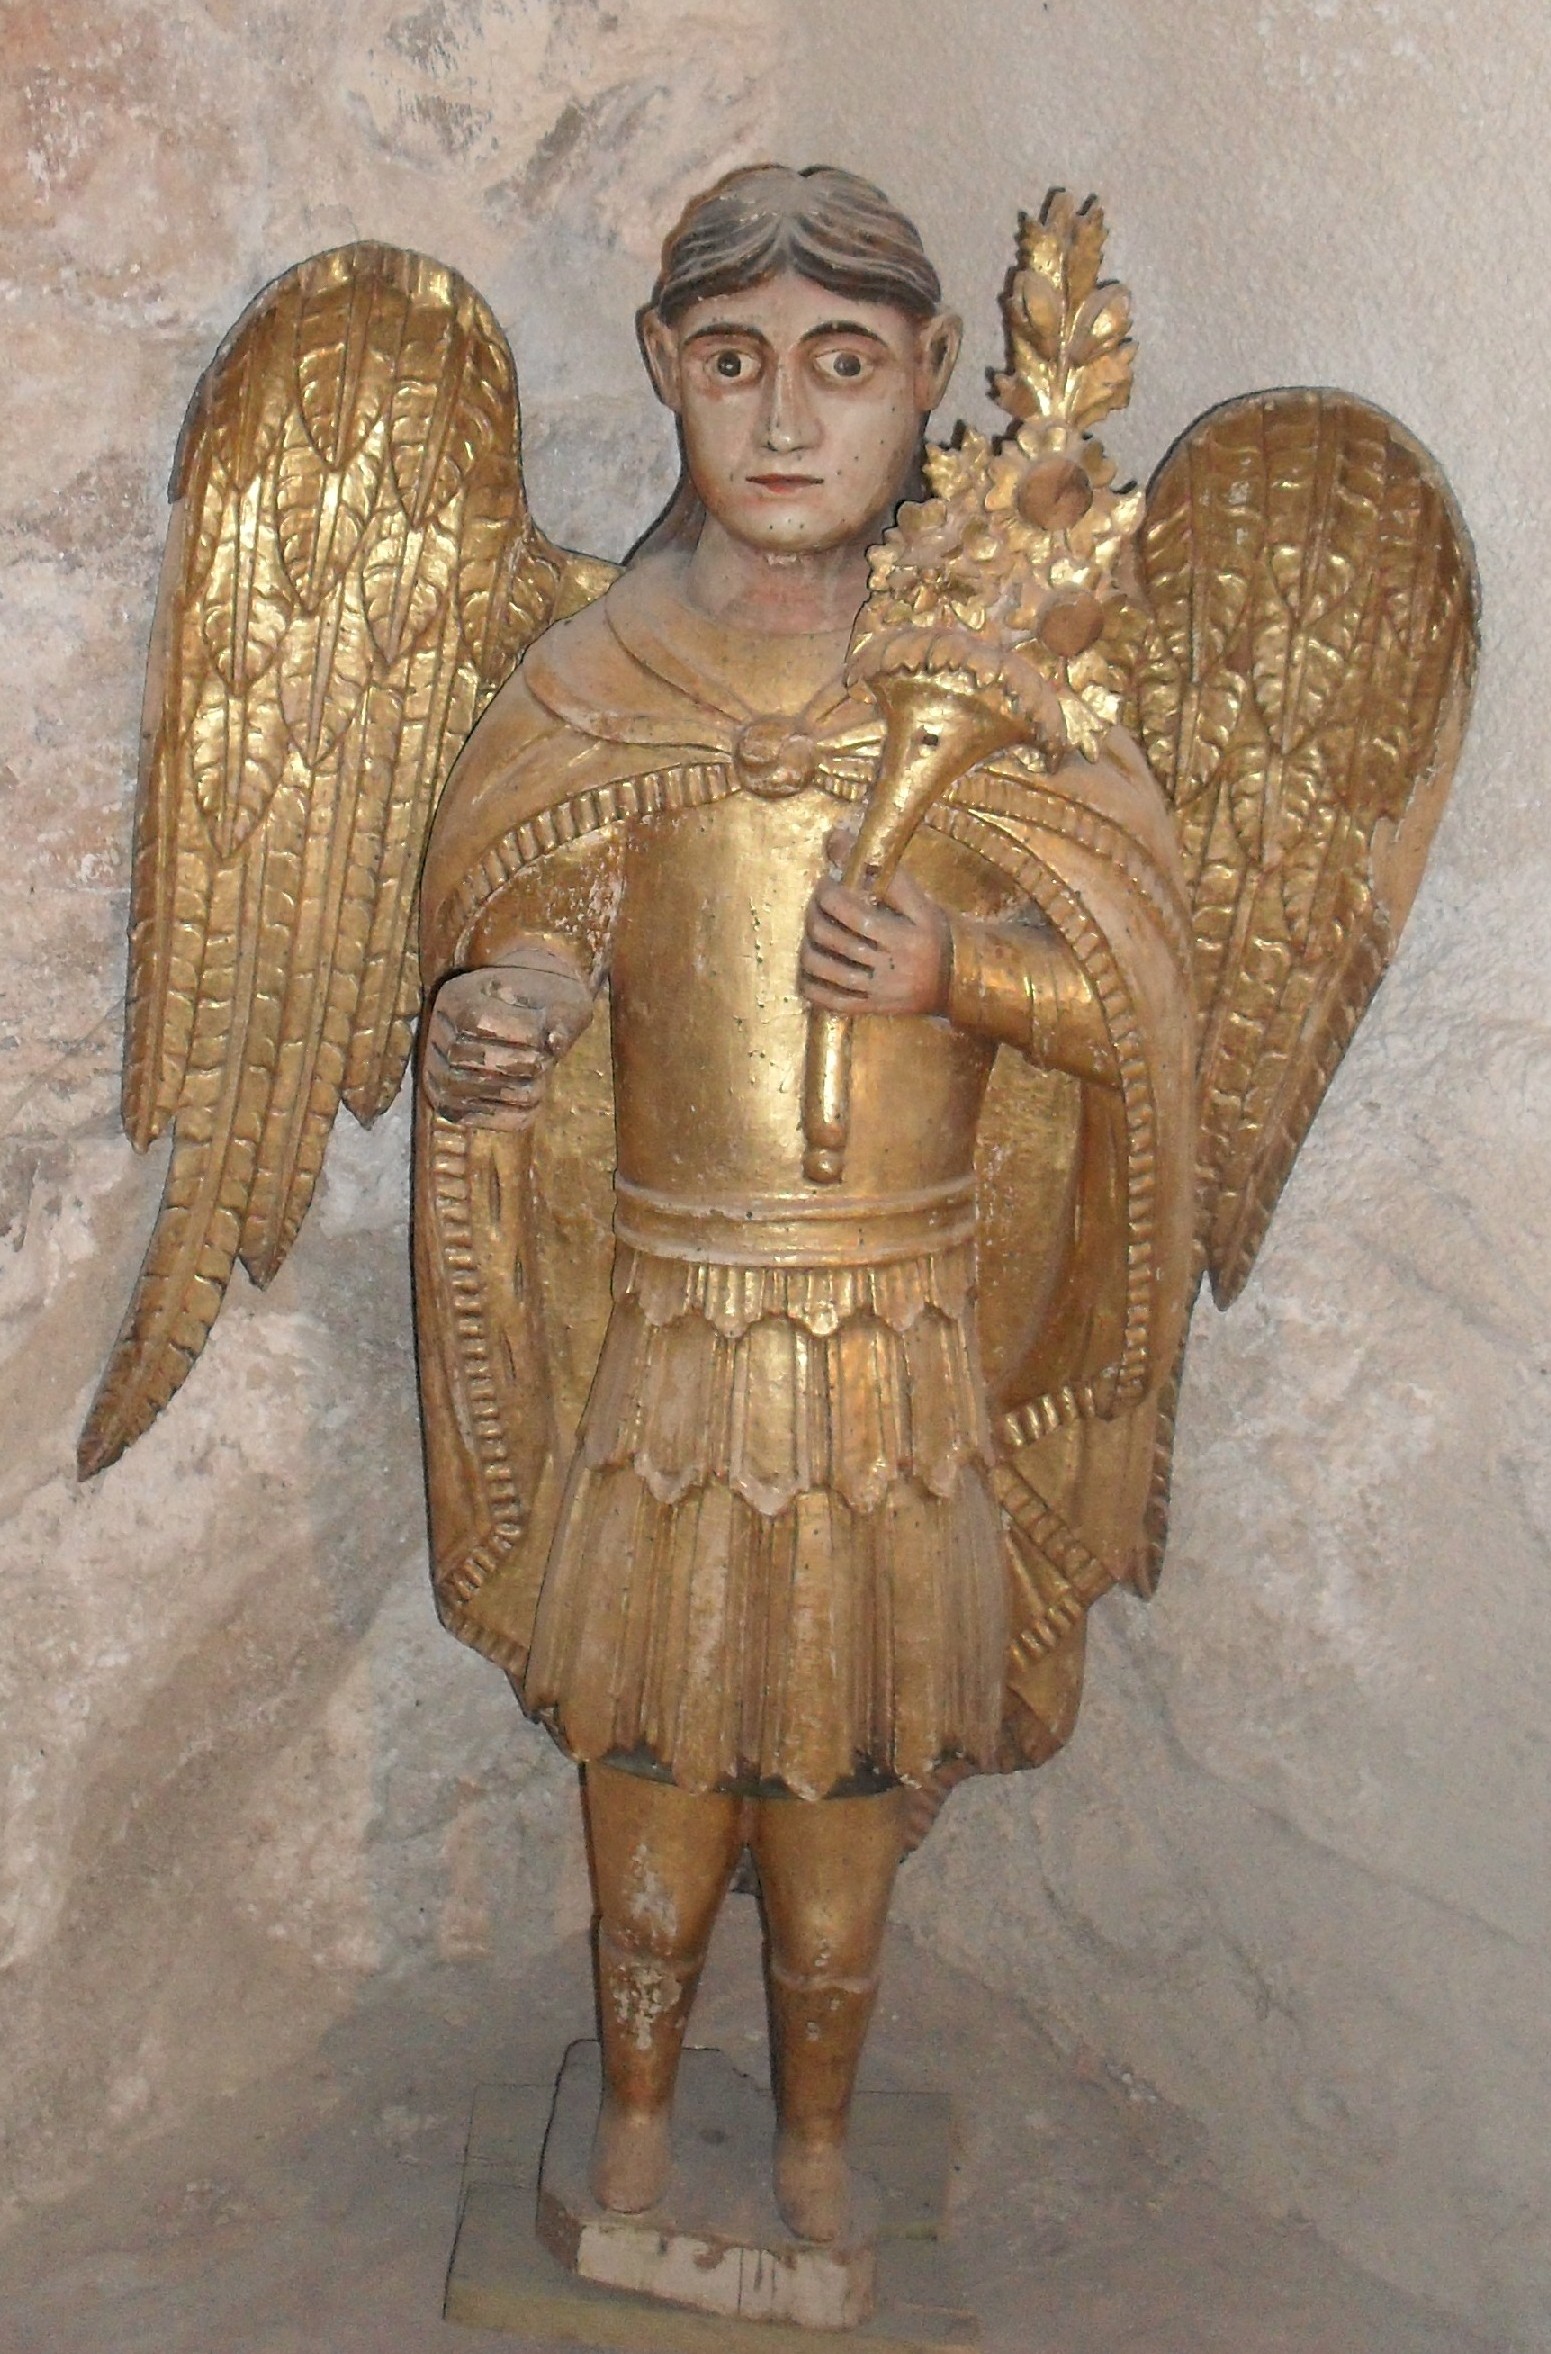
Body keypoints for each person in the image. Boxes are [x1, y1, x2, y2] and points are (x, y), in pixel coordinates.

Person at [415, 164, 1194, 2244]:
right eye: (733, 362)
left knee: (846, 1778)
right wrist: (502, 1012)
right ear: (662, 367)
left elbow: (1140, 1004)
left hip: (897, 1345)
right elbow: (546, 907)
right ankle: (639, 2114)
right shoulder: (595, 679)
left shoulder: (1009, 683)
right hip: (671, 1326)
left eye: (841, 366)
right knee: (652, 1747)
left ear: (930, 377)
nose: (781, 420)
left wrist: (962, 976)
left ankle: (824, 2141)